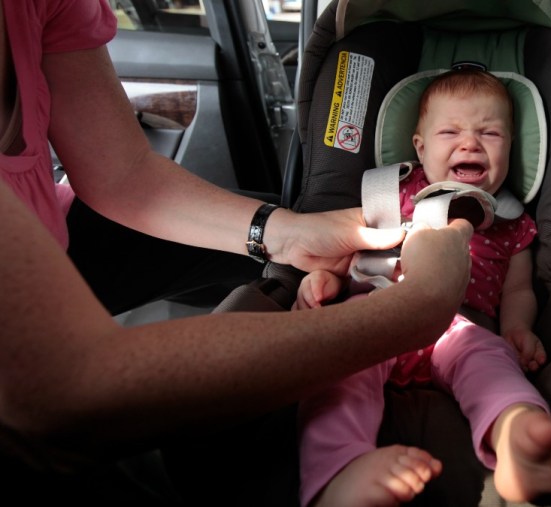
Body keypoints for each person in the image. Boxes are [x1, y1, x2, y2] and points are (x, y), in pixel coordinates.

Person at [0, 0, 474, 501]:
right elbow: (64, 388)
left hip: (49, 224)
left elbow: (123, 176)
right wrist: (419, 306)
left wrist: (285, 231)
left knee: (278, 232)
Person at [295, 69, 551, 507]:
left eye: (490, 133)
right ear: (419, 147)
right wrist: (326, 279)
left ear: (511, 148)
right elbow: (350, 249)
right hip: (379, 313)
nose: (471, 143)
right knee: (339, 369)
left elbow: (517, 291)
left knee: (492, 364)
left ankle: (516, 434)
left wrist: (516, 327)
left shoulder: (512, 223)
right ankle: (339, 471)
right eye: (450, 131)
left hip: (460, 332)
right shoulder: (394, 195)